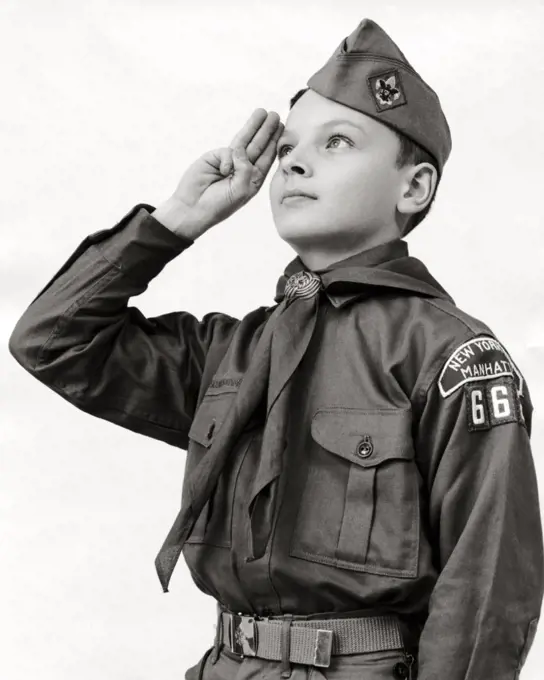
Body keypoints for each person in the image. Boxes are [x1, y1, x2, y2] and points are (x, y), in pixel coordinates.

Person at [8, 17, 543, 680]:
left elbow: (488, 596)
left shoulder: (451, 358)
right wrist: (177, 219)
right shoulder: (232, 352)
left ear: (414, 187)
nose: (293, 162)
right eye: (288, 147)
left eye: (337, 142)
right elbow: (53, 341)